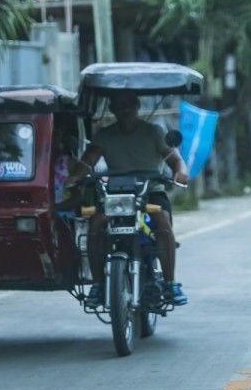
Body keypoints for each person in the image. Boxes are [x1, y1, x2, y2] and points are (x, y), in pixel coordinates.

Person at [76, 91, 190, 307]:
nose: (124, 109)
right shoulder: (104, 136)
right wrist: (74, 177)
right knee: (96, 223)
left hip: (151, 190)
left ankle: (170, 283)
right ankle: (98, 285)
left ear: (137, 106)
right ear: (113, 109)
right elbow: (87, 162)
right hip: (115, 193)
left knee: (162, 222)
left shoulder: (154, 132)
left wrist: (180, 172)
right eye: (119, 105)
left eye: (128, 105)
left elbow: (175, 160)